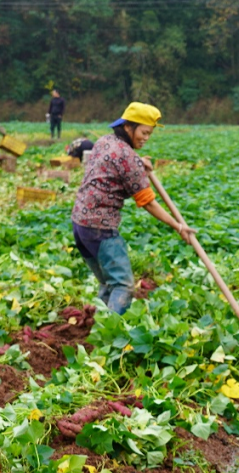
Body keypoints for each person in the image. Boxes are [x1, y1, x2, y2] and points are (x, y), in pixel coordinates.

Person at [70, 102, 194, 315]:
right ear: (128, 127)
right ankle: (112, 332)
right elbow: (148, 202)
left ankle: (99, 325)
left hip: (80, 224)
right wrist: (178, 225)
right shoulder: (128, 158)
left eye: (149, 134)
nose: (146, 138)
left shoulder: (104, 141)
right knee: (123, 285)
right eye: (144, 132)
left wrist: (138, 162)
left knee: (109, 282)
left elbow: (118, 162)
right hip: (100, 228)